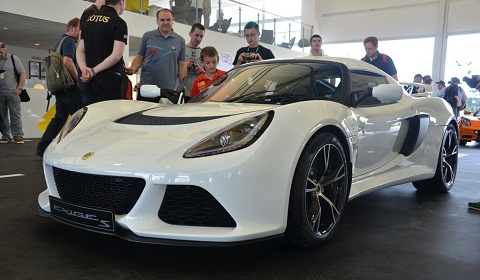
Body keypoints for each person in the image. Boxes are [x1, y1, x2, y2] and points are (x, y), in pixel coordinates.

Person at [36, 18, 83, 157]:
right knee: (80, 117)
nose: (81, 33)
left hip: (60, 88)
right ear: (72, 28)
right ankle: (77, 147)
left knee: (59, 118)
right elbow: (67, 61)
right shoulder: (69, 41)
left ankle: (42, 146)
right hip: (69, 87)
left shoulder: (59, 42)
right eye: (80, 29)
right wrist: (77, 79)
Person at [125, 8, 187, 103]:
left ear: (173, 20)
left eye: (168, 20)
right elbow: (139, 57)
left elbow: (182, 65)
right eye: (162, 20)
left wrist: (182, 87)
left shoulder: (180, 41)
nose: (165, 22)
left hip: (168, 91)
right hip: (146, 89)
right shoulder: (147, 36)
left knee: (165, 117)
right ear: (157, 21)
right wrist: (133, 68)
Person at [76, 0, 128, 105]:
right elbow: (116, 55)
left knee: (91, 116)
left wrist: (84, 69)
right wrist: (93, 71)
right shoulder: (119, 22)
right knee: (108, 117)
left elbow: (80, 50)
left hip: (89, 81)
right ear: (121, 2)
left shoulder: (89, 20)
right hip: (109, 80)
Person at [0, 41, 26, 144]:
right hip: (0, 92)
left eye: (1, 52)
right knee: (2, 117)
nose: (0, 55)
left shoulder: (13, 58)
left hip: (12, 92)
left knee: (15, 115)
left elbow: (23, 73)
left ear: (5, 50)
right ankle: (5, 136)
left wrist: (19, 88)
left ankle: (18, 136)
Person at [184, 23, 205, 100]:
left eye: (201, 36)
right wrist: (184, 66)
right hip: (183, 92)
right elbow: (172, 71)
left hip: (198, 93)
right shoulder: (182, 50)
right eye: (196, 35)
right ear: (190, 34)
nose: (199, 39)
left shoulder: (203, 53)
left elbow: (209, 75)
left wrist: (203, 72)